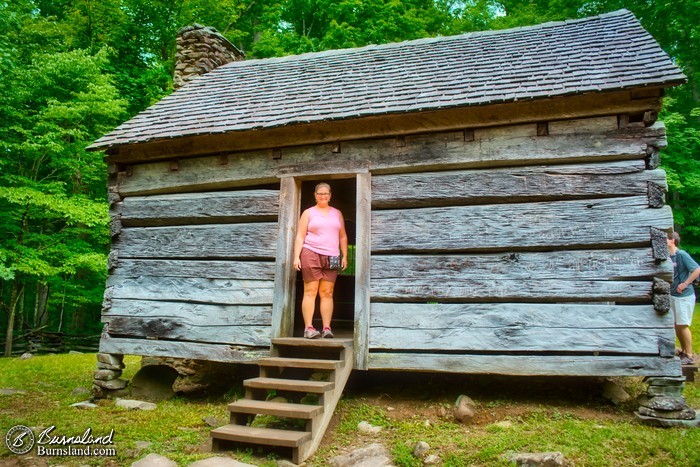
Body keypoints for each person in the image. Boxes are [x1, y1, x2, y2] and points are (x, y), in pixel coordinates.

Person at [293, 183, 348, 339]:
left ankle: (326, 328)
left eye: (326, 193)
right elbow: (300, 236)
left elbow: (342, 236)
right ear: (315, 195)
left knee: (327, 293)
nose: (323, 196)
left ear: (330, 195)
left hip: (332, 256)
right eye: (320, 193)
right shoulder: (308, 213)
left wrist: (345, 255)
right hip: (311, 253)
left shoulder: (337, 213)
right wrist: (296, 256)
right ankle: (309, 328)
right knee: (310, 291)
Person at [667, 231, 700, 365]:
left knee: (683, 325)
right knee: (676, 325)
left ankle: (689, 355)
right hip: (674, 296)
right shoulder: (670, 257)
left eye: (665, 239)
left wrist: (685, 283)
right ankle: (683, 351)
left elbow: (697, 269)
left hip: (684, 296)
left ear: (672, 241)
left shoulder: (681, 255)